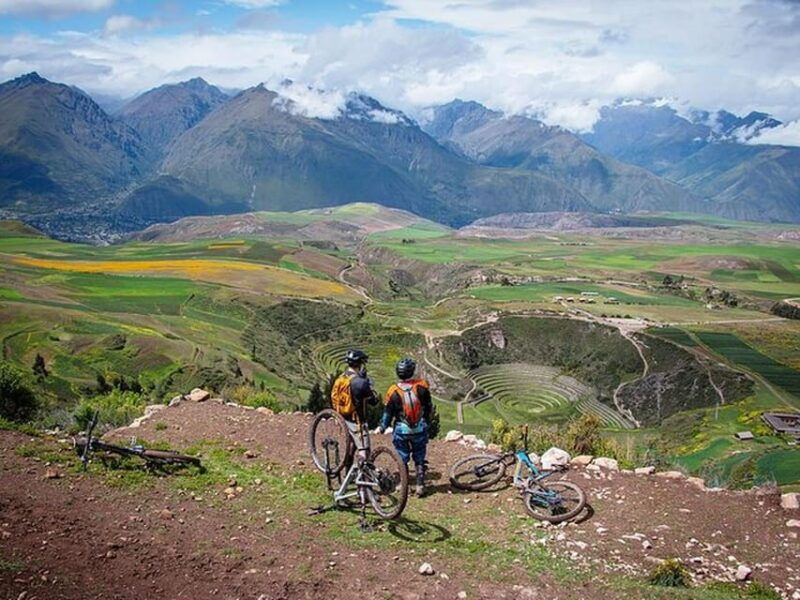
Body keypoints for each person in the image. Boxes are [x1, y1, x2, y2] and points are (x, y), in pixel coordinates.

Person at [380, 358, 432, 497]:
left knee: (402, 456)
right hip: (419, 428)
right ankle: (420, 485)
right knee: (419, 455)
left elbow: (388, 413)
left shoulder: (393, 391)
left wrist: (383, 427)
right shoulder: (422, 386)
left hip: (401, 430)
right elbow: (428, 407)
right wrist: (426, 421)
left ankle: (404, 485)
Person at [331, 349, 379, 463]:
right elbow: (374, 401)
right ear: (360, 364)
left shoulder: (341, 378)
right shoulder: (361, 383)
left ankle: (349, 473)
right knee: (364, 449)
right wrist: (367, 384)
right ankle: (363, 474)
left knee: (351, 445)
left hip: (343, 418)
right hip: (357, 421)